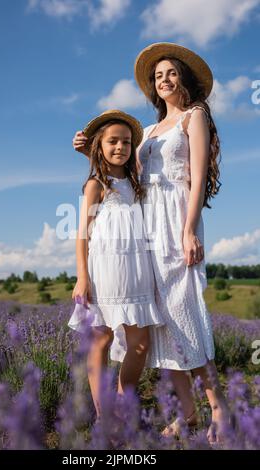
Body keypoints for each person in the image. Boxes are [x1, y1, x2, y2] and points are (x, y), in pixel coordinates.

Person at [72, 43, 229, 444]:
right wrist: (88, 145)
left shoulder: (195, 117)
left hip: (176, 221)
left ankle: (219, 409)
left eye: (171, 73)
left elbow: (194, 178)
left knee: (184, 313)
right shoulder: (150, 131)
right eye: (158, 76)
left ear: (185, 79)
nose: (164, 80)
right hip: (145, 229)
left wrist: (190, 228)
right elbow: (120, 172)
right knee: (160, 323)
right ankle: (188, 413)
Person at [68, 109, 165, 420]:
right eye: (113, 142)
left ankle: (123, 402)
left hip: (136, 269)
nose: (120, 147)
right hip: (104, 269)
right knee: (102, 337)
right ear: (100, 145)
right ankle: (103, 414)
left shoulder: (135, 182)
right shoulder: (96, 184)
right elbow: (82, 234)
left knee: (140, 341)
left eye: (126, 142)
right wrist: (82, 277)